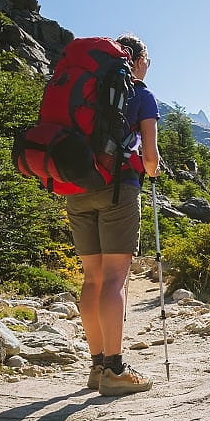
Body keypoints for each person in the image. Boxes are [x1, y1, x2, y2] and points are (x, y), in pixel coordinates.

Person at [65, 33, 160, 395]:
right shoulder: (140, 93)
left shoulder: (87, 88)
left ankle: (97, 366)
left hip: (77, 190)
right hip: (118, 189)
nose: (148, 66)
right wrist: (151, 169)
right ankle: (116, 371)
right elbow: (149, 159)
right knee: (115, 279)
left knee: (91, 278)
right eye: (147, 60)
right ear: (136, 60)